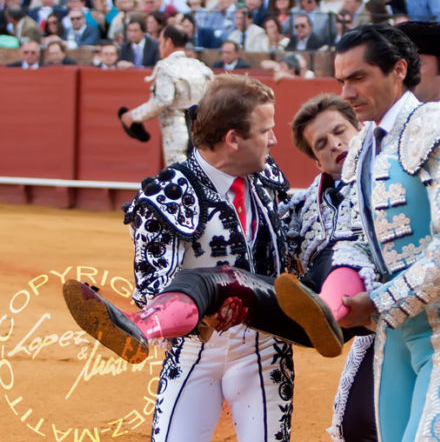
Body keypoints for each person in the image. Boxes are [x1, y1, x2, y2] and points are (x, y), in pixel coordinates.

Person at [64, 73, 296, 442]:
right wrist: (206, 317)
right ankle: (140, 325)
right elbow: (153, 284)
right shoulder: (168, 193)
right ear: (232, 139)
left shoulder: (266, 175)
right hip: (195, 352)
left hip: (264, 351)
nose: (274, 139)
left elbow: (287, 247)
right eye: (265, 129)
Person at [321, 23, 440, 442]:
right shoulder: (365, 144)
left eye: (359, 77)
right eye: (342, 80)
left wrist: (379, 299)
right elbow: (353, 235)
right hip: (396, 334)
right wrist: (350, 288)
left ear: (399, 70)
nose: (347, 93)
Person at [119, 25, 213, 165]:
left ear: (167, 42)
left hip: (177, 131)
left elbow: (162, 101)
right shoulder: (200, 67)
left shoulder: (165, 67)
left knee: (179, 175)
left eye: (160, 41)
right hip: (202, 130)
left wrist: (133, 116)